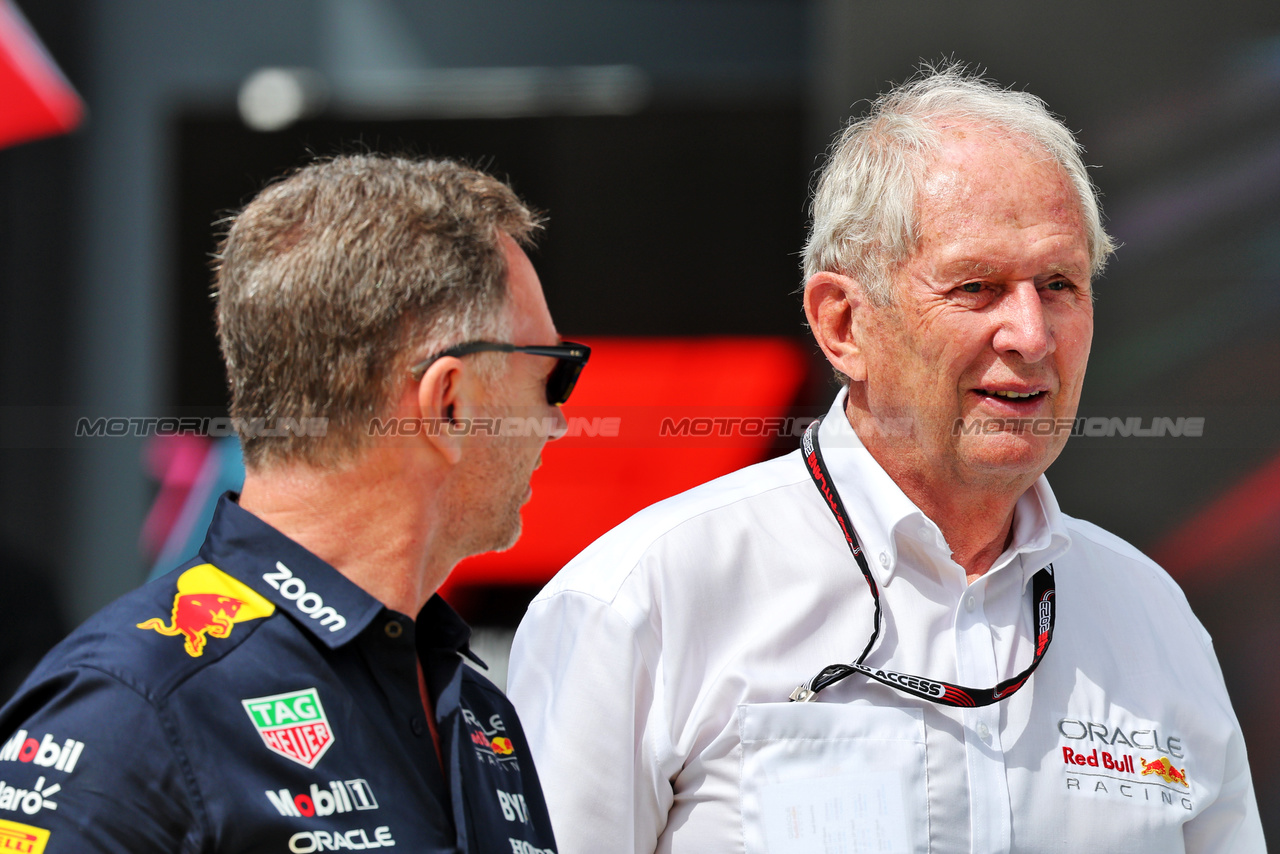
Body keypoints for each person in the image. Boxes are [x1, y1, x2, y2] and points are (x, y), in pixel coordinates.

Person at [507, 66, 1265, 853]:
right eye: (977, 286)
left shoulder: (1149, 616)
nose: (1032, 336)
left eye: (1060, 284)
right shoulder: (642, 601)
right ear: (843, 324)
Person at [0, 154, 586, 853]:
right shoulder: (131, 710)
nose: (558, 421)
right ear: (450, 405)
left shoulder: (476, 711)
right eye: (553, 377)